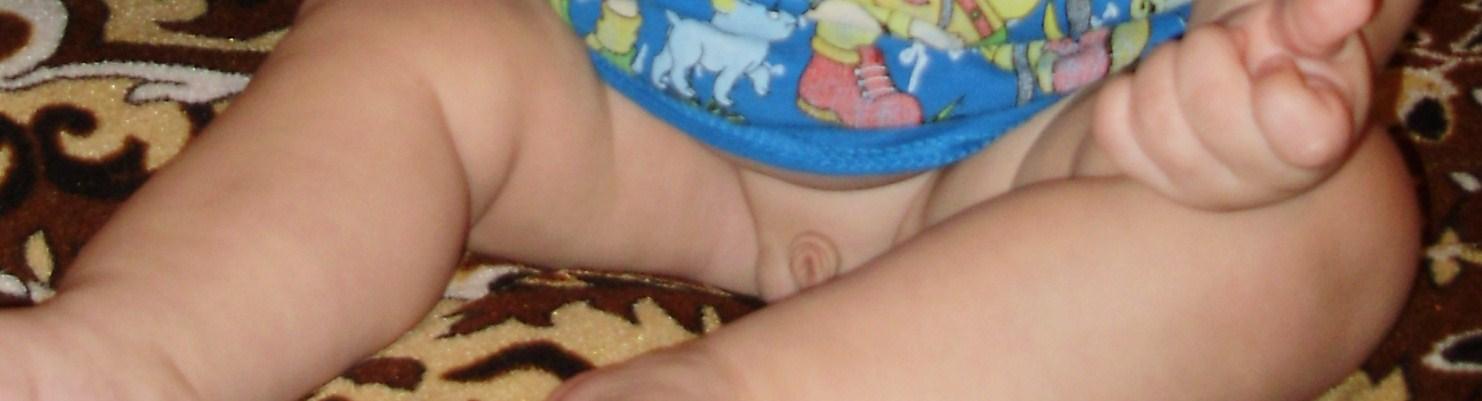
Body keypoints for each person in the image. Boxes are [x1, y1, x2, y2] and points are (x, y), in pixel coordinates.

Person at [0, 0, 1420, 399]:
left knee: (1334, 213)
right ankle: (129, 354)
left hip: (1046, 155)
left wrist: (1261, 87)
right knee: (401, 44)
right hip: (616, 95)